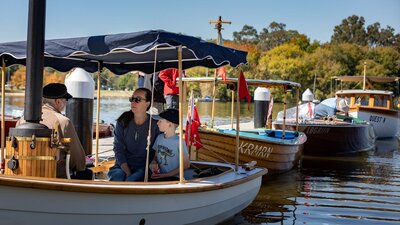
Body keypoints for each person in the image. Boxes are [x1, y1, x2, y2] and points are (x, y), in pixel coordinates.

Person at [17, 83, 92, 180]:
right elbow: (78, 160)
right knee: (86, 173)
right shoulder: (63, 121)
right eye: (66, 100)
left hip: (24, 172)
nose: (66, 103)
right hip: (54, 176)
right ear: (58, 102)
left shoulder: (22, 120)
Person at [108, 88, 160, 181]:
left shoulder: (156, 125)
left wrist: (153, 162)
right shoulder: (123, 121)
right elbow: (118, 148)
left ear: (147, 104)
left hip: (143, 168)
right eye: (132, 99)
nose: (133, 102)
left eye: (138, 99)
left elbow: (158, 149)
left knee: (132, 180)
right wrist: (127, 171)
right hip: (122, 165)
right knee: (117, 178)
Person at [149, 108, 190, 181]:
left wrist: (165, 175)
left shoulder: (180, 141)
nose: (157, 123)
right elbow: (155, 156)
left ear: (170, 125)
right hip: (160, 176)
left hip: (175, 179)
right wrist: (153, 162)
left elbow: (186, 165)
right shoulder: (159, 137)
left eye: (160, 121)